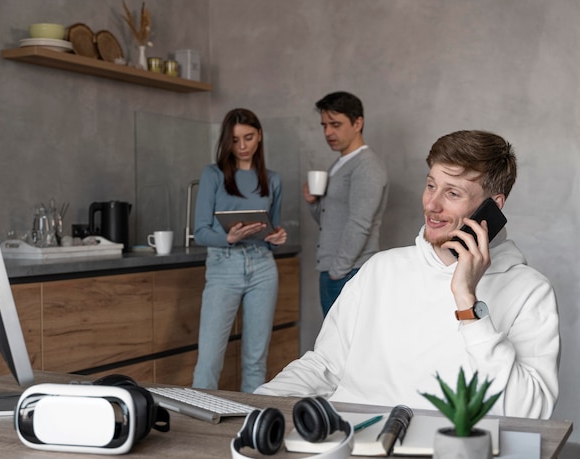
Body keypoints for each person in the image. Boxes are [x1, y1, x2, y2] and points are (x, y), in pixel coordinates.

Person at [256, 130, 560, 419]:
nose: (431, 204)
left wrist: (468, 304)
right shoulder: (380, 269)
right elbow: (324, 365)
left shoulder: (530, 291)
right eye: (431, 185)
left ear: (492, 207)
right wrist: (252, 406)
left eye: (452, 192)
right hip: (352, 441)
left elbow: (528, 412)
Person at [192, 108, 287, 393]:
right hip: (224, 267)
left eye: (248, 137)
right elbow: (200, 232)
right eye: (235, 140)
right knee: (209, 359)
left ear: (259, 136)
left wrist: (277, 237)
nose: (242, 146)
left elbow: (272, 230)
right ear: (226, 142)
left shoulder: (273, 180)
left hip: (263, 267)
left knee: (256, 360)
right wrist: (229, 237)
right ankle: (198, 425)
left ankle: (251, 427)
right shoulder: (213, 175)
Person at [304, 91, 389, 316]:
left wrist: (338, 271)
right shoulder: (340, 164)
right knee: (336, 345)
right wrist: (313, 202)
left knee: (347, 346)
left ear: (357, 122)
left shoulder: (366, 166)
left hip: (349, 271)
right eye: (324, 125)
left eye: (335, 124)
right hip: (336, 269)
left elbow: (360, 223)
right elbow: (329, 220)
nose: (328, 132)